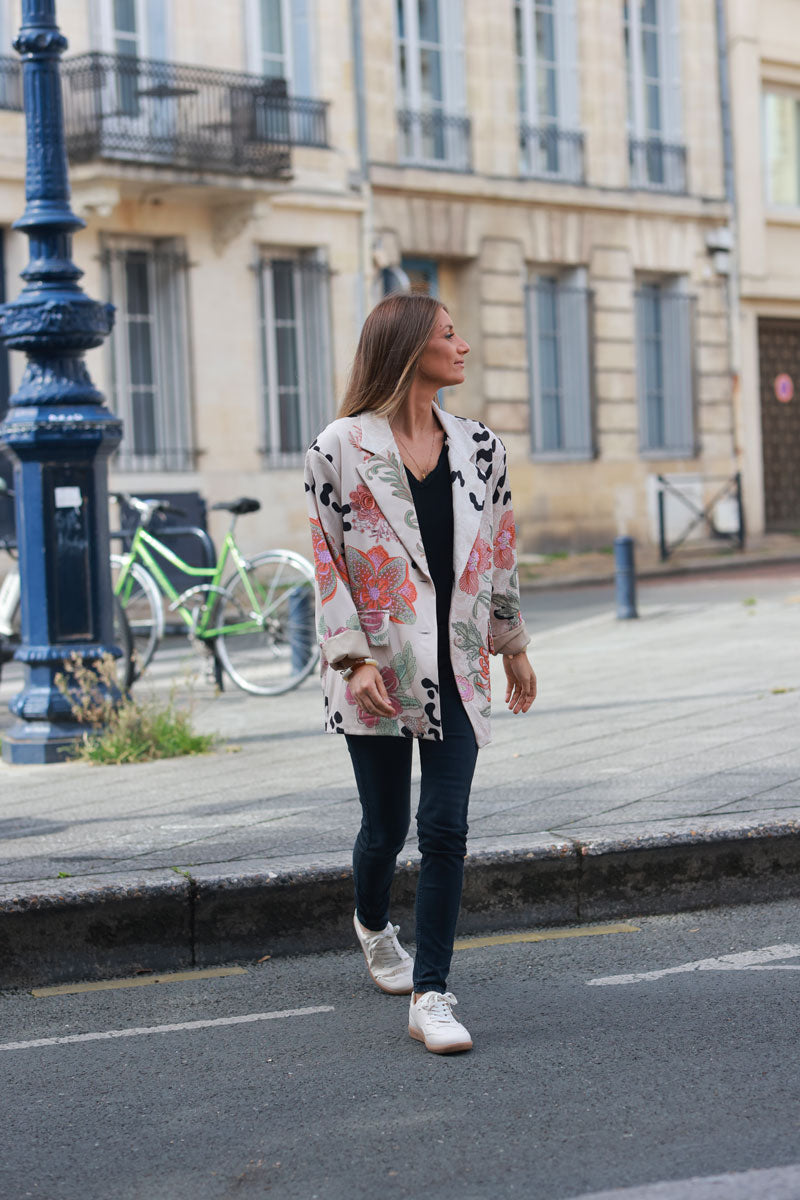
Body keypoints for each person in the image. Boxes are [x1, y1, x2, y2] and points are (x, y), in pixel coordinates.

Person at [304, 292, 536, 1054]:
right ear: (409, 349)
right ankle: (373, 925)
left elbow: (498, 549)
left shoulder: (480, 446)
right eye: (448, 335)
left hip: (459, 663)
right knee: (385, 827)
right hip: (375, 666)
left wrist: (512, 644)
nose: (463, 345)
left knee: (444, 827)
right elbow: (326, 561)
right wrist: (352, 659)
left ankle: (432, 993)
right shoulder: (339, 446)